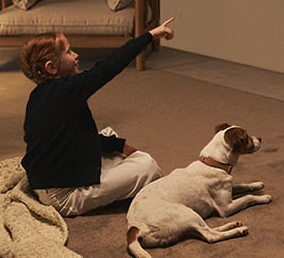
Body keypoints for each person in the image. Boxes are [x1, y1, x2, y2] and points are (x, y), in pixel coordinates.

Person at [19, 18, 175, 216]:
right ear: (52, 68)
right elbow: (109, 67)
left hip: (51, 179)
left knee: (108, 135)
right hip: (63, 196)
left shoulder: (41, 94)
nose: (76, 55)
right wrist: (150, 36)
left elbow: (73, 136)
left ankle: (114, 168)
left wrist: (119, 146)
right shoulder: (66, 91)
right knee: (148, 166)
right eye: (68, 52)